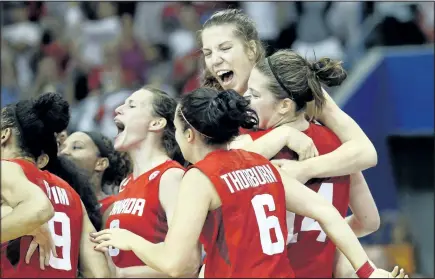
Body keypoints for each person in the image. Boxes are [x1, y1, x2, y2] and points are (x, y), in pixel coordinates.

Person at [90, 88, 389, 278]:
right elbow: (327, 211)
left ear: (189, 135)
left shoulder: (200, 176)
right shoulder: (262, 164)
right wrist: (368, 272)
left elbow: (176, 263)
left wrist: (131, 241)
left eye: (178, 130)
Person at [238, 49, 390, 278]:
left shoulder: (250, 147)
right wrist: (327, 236)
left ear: (284, 106)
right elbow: (369, 222)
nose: (246, 100)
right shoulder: (342, 149)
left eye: (255, 95)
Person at [199, 9, 378, 176]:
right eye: (208, 53)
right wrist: (283, 135)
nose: (215, 60)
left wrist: (304, 170)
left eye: (225, 48)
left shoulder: (290, 83)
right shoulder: (208, 108)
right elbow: (212, 176)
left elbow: (365, 152)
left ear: (251, 49)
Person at [0, 92, 110, 278]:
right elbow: (101, 274)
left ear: (4, 134)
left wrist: (24, 224)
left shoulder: (6, 170)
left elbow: (39, 209)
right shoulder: (71, 193)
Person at [98, 86, 190, 278]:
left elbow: (187, 264)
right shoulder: (126, 183)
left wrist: (122, 274)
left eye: (131, 106)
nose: (118, 109)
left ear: (156, 123)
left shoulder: (170, 176)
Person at [59, 131, 132, 214]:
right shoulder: (52, 198)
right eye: (61, 148)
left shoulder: (114, 208)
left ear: (101, 163)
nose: (63, 152)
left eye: (76, 147)